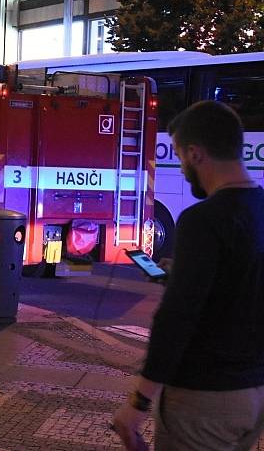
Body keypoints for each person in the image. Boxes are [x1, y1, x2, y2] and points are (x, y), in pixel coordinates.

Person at [112, 101, 264, 451]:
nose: (180, 167)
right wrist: (183, 274)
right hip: (253, 394)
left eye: (180, 155)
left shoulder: (202, 220)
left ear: (195, 154)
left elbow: (177, 318)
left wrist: (138, 404)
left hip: (205, 399)